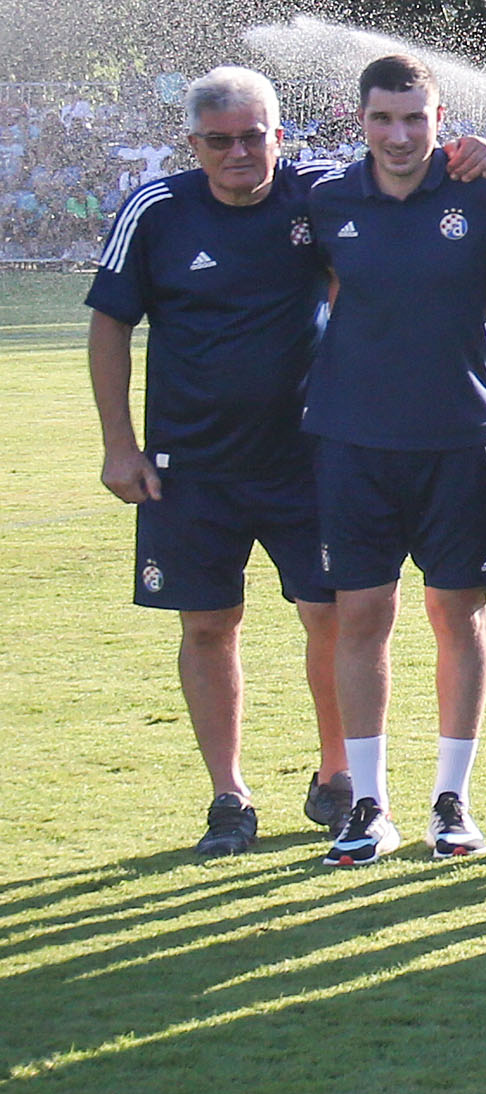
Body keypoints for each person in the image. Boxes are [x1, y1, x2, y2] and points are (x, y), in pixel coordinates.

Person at [88, 67, 355, 853]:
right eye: (219, 140)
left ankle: (337, 775)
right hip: (189, 466)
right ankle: (229, 796)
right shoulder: (157, 210)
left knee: (332, 616)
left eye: (253, 136)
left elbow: (405, 178)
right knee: (208, 624)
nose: (239, 152)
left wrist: (473, 154)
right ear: (193, 144)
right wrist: (119, 446)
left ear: (280, 135)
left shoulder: (318, 195)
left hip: (307, 458)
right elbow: (109, 325)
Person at [305, 54, 486, 865]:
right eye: (383, 118)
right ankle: (368, 804)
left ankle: (452, 799)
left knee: (459, 613)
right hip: (353, 441)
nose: (399, 134)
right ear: (360, 120)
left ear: (441, 120)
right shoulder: (328, 199)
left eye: (415, 118)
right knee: (362, 616)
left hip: (458, 440)